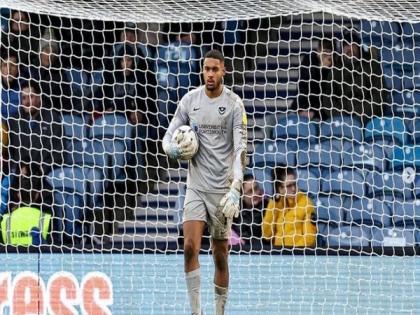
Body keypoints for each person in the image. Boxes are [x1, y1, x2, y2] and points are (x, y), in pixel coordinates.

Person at [162, 49, 247, 315]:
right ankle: (196, 312)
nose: (210, 74)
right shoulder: (190, 101)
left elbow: (240, 149)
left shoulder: (234, 104)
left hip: (222, 192)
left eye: (215, 69)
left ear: (224, 71)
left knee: (220, 256)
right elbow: (168, 135)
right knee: (189, 248)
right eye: (206, 69)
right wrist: (171, 150)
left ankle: (219, 311)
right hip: (196, 188)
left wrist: (236, 187)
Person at [322, 31, 389, 124]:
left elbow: (379, 96)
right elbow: (327, 98)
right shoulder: (336, 69)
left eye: (352, 45)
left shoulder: (372, 66)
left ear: (358, 46)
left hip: (368, 120)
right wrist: (341, 118)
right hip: (341, 120)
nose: (349, 49)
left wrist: (361, 118)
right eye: (345, 45)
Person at [7, 80, 64, 177]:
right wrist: (18, 168)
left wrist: (39, 170)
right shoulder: (13, 121)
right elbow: (10, 152)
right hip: (18, 175)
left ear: (39, 98)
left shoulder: (53, 120)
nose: (27, 102)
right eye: (24, 98)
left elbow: (58, 154)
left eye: (31, 97)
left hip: (44, 176)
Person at [262, 167, 316, 248]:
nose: (294, 189)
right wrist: (273, 204)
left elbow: (309, 239)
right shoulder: (276, 204)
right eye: (289, 186)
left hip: (299, 255)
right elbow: (267, 235)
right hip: (278, 255)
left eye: (294, 184)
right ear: (280, 189)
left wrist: (290, 252)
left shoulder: (306, 203)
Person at [0, 163, 52, 246]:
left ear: (18, 195)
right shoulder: (47, 218)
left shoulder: (5, 220)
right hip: (38, 258)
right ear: (37, 194)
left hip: (10, 258)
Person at [291, 39, 333, 120]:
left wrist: (324, 70)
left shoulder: (335, 67)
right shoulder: (309, 62)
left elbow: (326, 94)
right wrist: (302, 110)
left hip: (321, 114)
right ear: (318, 51)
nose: (327, 55)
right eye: (324, 52)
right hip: (301, 109)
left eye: (329, 52)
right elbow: (304, 87)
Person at [231, 174, 268, 245]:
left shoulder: (268, 207)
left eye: (256, 188)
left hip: (262, 251)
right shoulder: (234, 212)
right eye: (250, 191)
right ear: (242, 196)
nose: (255, 193)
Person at [1, 51, 21, 120]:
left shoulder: (25, 91)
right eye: (5, 65)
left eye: (12, 65)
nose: (9, 69)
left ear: (18, 69)